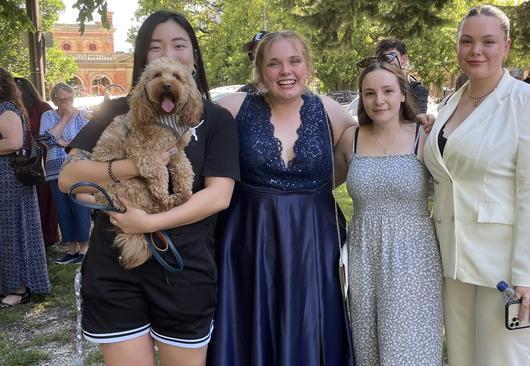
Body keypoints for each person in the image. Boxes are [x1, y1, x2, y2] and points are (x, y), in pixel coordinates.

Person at [58, 11, 239, 365]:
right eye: (155, 47)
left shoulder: (217, 119)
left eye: (178, 45)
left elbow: (219, 195)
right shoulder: (114, 111)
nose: (167, 52)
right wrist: (137, 164)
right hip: (116, 264)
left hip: (183, 264)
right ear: (143, 59)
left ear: (194, 57)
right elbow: (68, 177)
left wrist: (149, 223)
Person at [422, 5, 530, 365]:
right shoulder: (451, 103)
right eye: (466, 41)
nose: (475, 50)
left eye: (487, 41)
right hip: (453, 262)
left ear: (506, 46)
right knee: (463, 360)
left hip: (505, 269)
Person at [207, 30, 356, 366]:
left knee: (311, 323)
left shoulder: (330, 111)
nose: (285, 71)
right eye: (274, 63)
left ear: (308, 66)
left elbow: (368, 144)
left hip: (313, 239)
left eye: (294, 61)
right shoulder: (234, 106)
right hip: (247, 236)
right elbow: (187, 137)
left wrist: (416, 122)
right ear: (260, 71)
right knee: (250, 321)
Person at [335, 60, 443, 365]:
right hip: (363, 254)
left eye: (387, 91)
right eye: (369, 93)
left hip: (414, 254)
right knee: (367, 345)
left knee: (409, 347)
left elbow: (454, 185)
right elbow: (320, 185)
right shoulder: (350, 139)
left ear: (401, 94)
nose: (378, 100)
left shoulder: (424, 136)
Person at [0, 67, 51, 308]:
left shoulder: (7, 108)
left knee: (13, 233)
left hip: (10, 181)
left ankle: (20, 289)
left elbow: (14, 142)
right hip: (5, 181)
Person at [40, 83, 91, 264]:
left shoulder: (83, 114)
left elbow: (85, 140)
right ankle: (72, 248)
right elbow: (46, 140)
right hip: (55, 169)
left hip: (78, 167)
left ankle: (84, 248)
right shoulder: (47, 115)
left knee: (80, 207)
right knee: (62, 209)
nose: (67, 103)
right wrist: (63, 121)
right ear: (54, 100)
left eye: (69, 99)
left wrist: (60, 141)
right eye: (62, 100)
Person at [14, 77, 59, 247]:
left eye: (15, 87)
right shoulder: (13, 109)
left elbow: (49, 134)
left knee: (44, 198)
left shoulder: (42, 108)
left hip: (40, 159)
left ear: (24, 89)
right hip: (19, 161)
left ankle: (48, 237)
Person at [374, 37, 429, 114]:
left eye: (389, 57)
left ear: (404, 58)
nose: (386, 63)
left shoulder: (418, 91)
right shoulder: (373, 88)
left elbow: (418, 122)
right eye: (382, 59)